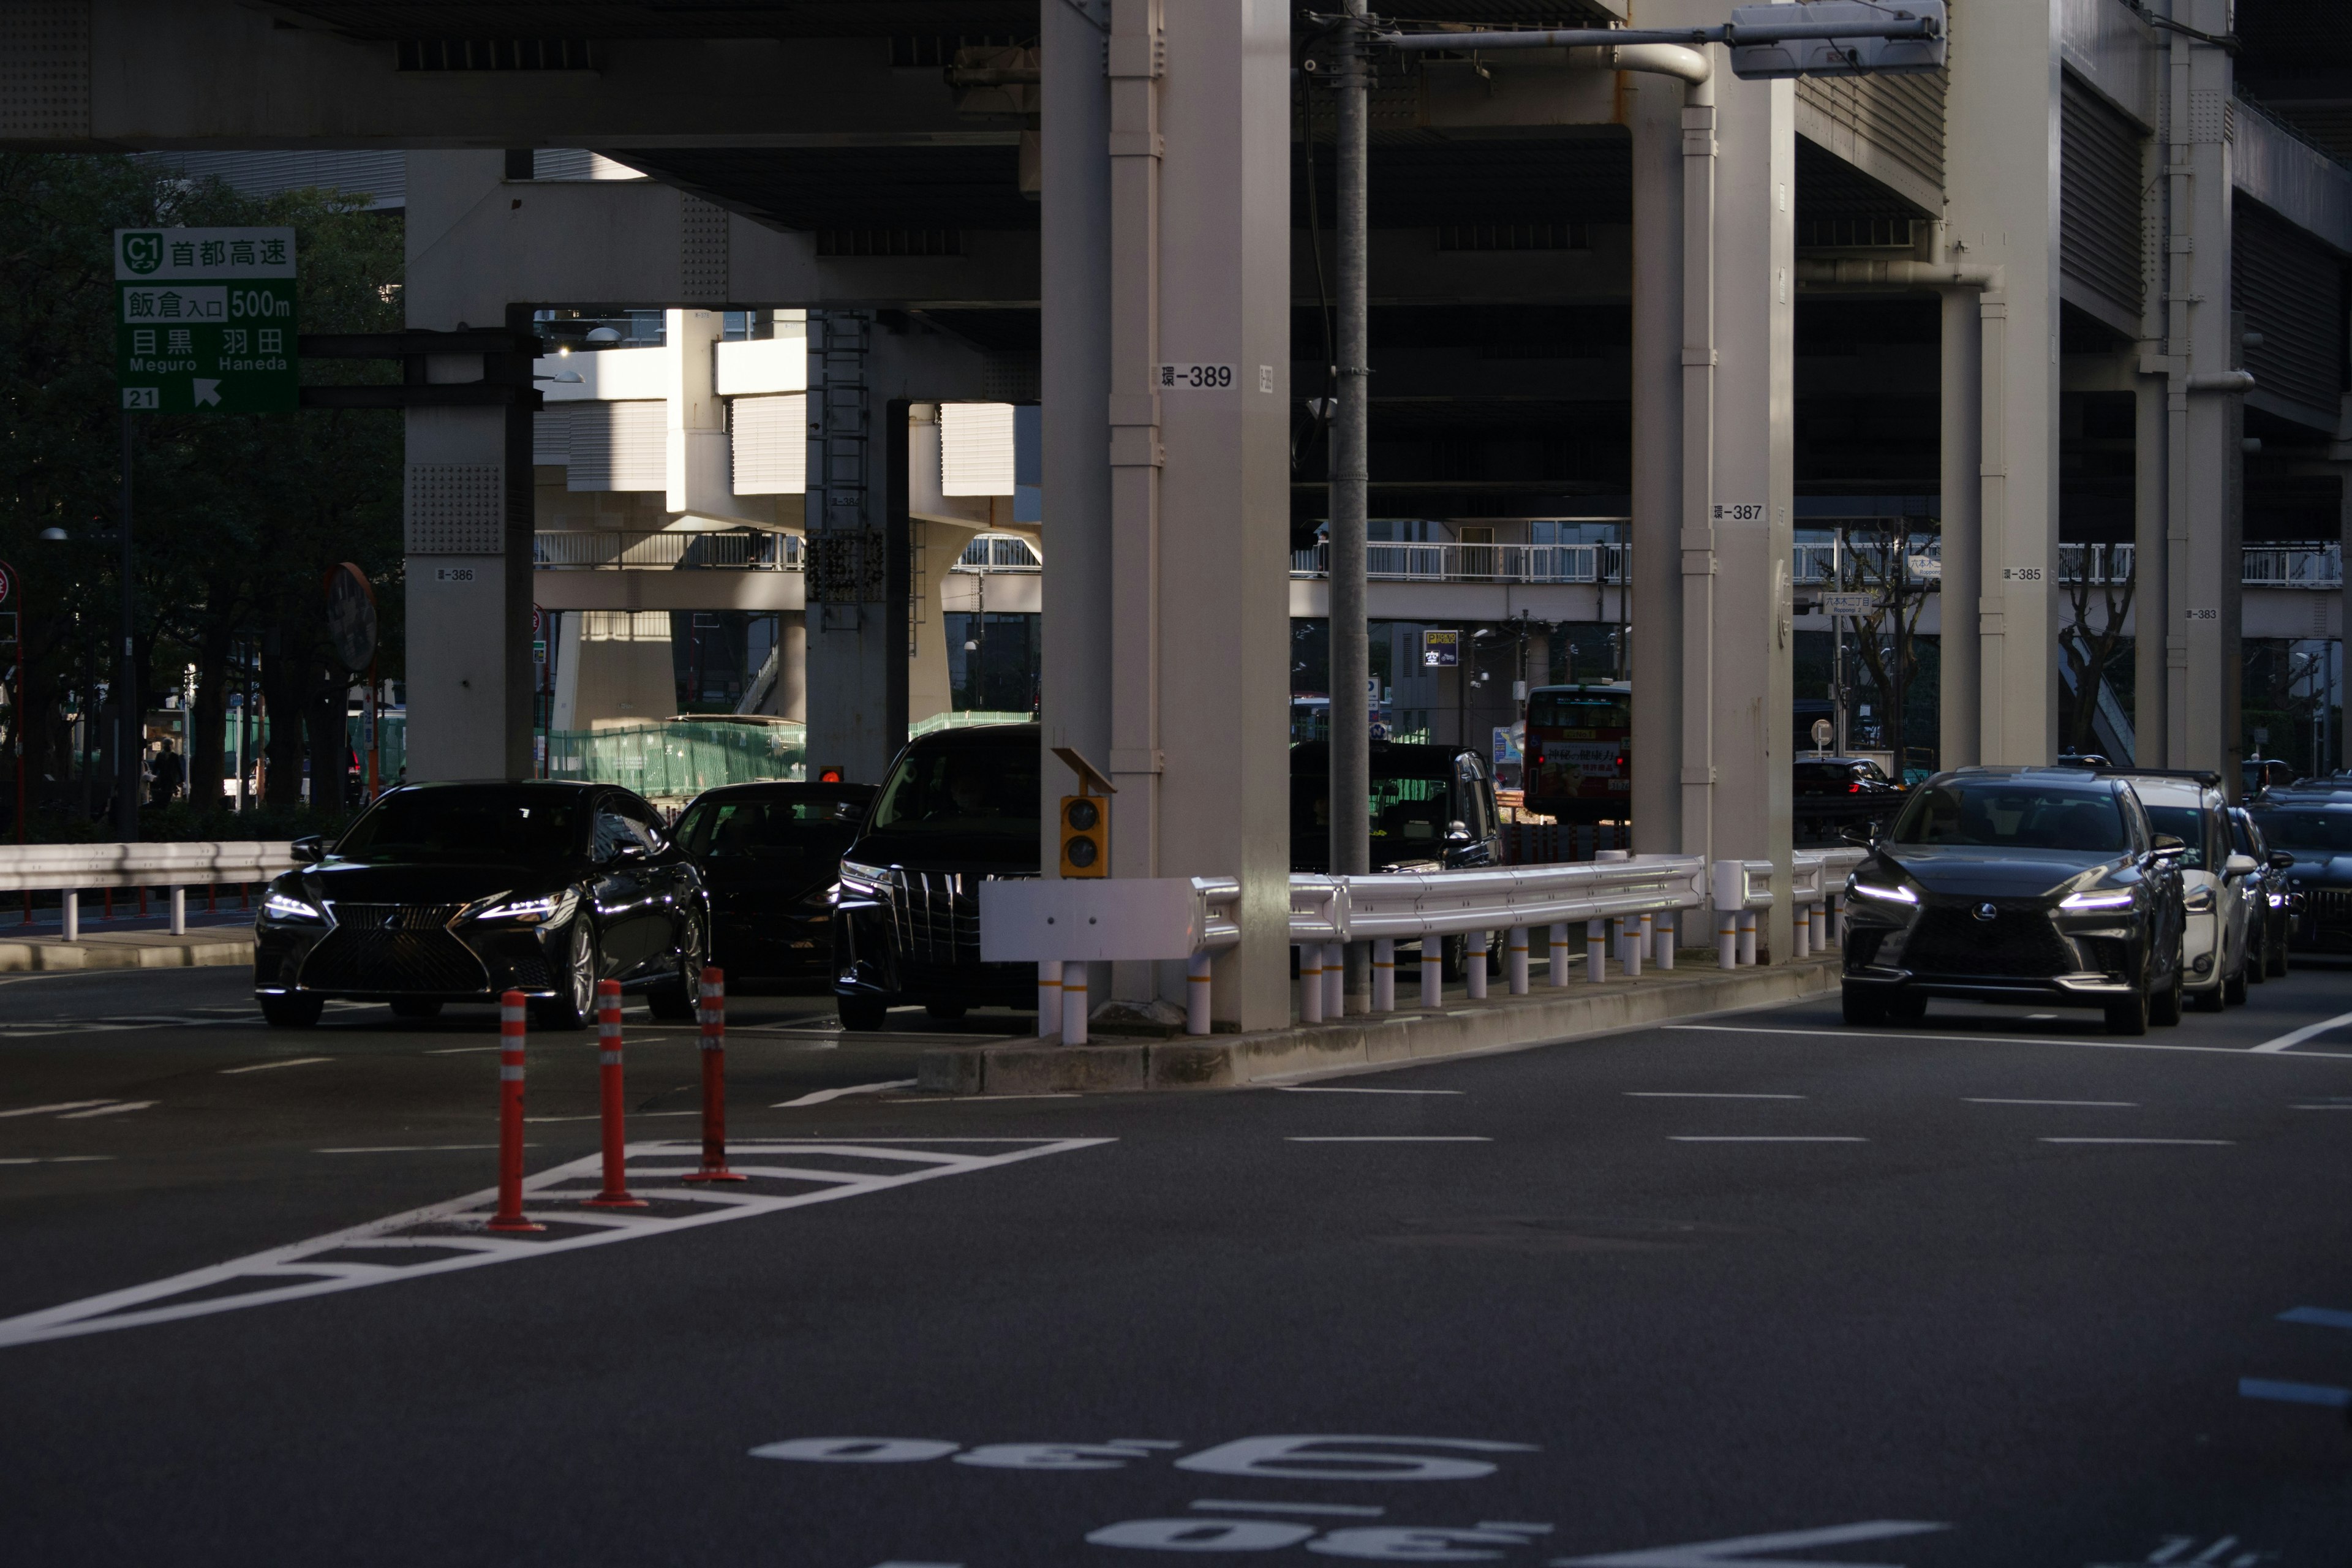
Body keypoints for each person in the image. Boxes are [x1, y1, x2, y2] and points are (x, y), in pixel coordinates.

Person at [148, 740, 184, 807]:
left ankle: (167, 805)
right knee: (163, 793)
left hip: (171, 779)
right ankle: (165, 805)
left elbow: (179, 768)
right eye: (166, 745)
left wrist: (181, 780)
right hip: (163, 778)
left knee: (169, 793)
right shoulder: (160, 755)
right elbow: (156, 767)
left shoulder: (174, 756)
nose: (168, 746)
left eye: (169, 745)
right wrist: (153, 777)